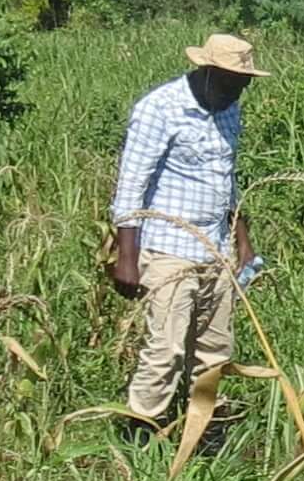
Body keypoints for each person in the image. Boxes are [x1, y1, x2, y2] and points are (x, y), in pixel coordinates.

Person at [107, 31, 265, 439]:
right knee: (166, 349)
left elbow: (226, 178)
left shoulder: (230, 109)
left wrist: (242, 242)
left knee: (215, 348)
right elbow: (131, 184)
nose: (238, 92)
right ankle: (141, 428)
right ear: (208, 72)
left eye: (244, 84)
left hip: (216, 246)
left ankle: (203, 426)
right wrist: (126, 257)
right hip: (167, 247)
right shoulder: (160, 109)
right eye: (232, 83)